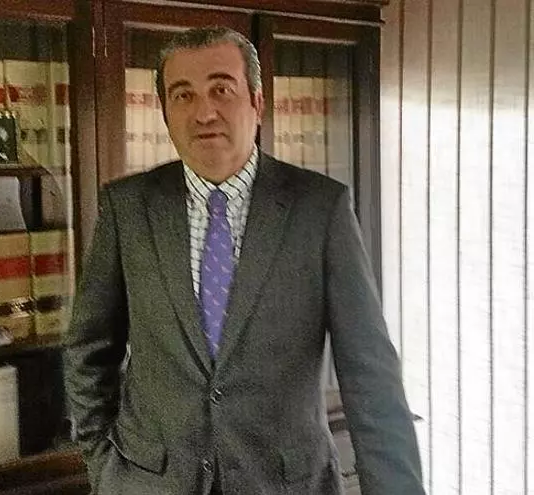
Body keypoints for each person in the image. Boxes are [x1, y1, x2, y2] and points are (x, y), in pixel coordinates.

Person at [63, 26, 424, 495]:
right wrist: (102, 463)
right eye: (183, 95)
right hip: (148, 483)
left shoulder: (320, 209)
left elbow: (370, 376)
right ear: (165, 113)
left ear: (256, 102)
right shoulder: (128, 208)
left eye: (221, 90)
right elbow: (89, 349)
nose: (204, 112)